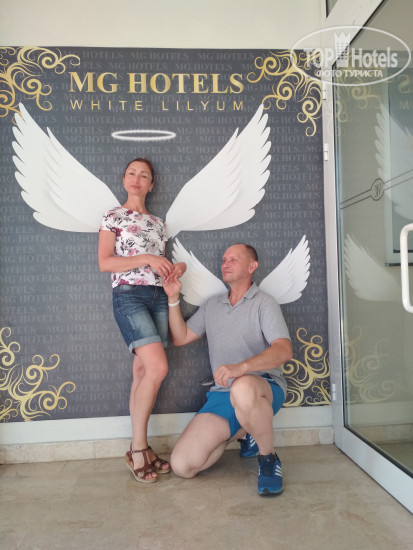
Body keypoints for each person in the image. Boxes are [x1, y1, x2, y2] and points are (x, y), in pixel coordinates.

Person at [163, 243, 293, 495]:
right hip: (223, 394)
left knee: (242, 387)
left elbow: (284, 351)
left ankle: (268, 459)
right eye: (224, 260)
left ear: (252, 266)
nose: (225, 264)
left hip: (262, 389)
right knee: (182, 465)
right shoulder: (212, 305)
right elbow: (181, 337)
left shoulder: (264, 303)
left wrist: (241, 368)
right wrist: (172, 298)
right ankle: (247, 431)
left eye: (233, 259)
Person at [98, 158, 185, 484]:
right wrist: (147, 257)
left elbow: (162, 264)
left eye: (144, 175)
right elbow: (105, 263)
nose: (137, 178)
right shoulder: (112, 216)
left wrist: (177, 268)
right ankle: (137, 449)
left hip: (159, 297)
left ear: (151, 185)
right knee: (158, 368)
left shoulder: (159, 224)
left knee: (143, 371)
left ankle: (142, 447)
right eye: (132, 173)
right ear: (124, 180)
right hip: (129, 296)